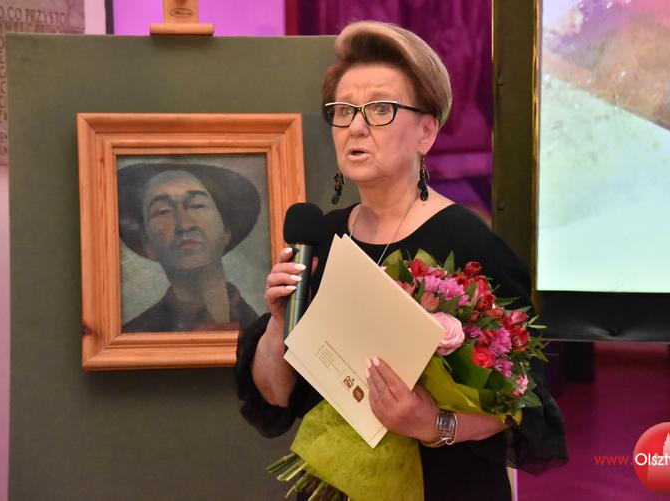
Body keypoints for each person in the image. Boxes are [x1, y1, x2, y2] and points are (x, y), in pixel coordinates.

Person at [235, 21, 567, 499]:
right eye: (343, 111)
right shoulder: (323, 237)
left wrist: (432, 422)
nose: (356, 126)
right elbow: (276, 394)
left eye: (380, 109)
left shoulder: (470, 245)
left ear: (426, 132)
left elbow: (521, 402)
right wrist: (277, 321)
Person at [118, 162, 260, 332]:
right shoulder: (134, 336)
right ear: (148, 245)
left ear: (226, 231)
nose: (184, 225)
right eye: (162, 211)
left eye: (197, 205)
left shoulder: (271, 329)